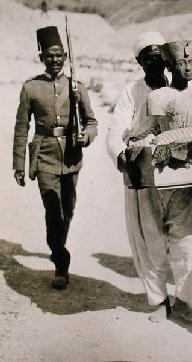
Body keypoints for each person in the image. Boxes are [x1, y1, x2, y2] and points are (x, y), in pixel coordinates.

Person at [13, 26, 98, 290]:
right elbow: (21, 128)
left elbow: (91, 121)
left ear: (65, 56)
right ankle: (61, 263)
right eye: (50, 55)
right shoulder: (31, 88)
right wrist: (18, 164)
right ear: (41, 57)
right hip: (45, 155)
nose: (55, 60)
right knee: (52, 207)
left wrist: (87, 136)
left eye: (59, 55)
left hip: (71, 156)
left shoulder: (77, 87)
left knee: (67, 210)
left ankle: (57, 245)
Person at [107, 32, 178, 322]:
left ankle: (185, 298)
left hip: (177, 171)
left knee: (183, 237)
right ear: (139, 61)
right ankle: (160, 300)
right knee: (148, 238)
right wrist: (121, 155)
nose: (155, 60)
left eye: (159, 54)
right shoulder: (131, 92)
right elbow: (116, 130)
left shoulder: (180, 87)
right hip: (142, 171)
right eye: (148, 56)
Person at [145, 40, 192, 323]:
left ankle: (185, 302)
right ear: (170, 66)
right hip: (159, 180)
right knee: (155, 241)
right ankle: (159, 301)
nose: (187, 68)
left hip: (188, 183)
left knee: (187, 244)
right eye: (181, 63)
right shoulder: (158, 97)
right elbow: (151, 133)